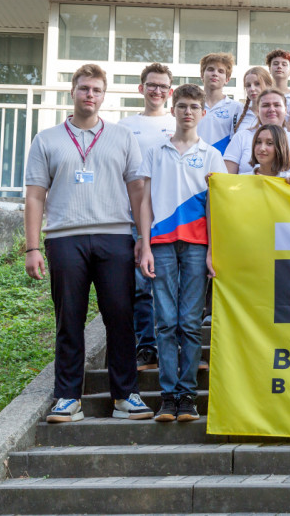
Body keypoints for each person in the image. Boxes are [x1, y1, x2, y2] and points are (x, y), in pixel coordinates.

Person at [24, 64, 153, 423]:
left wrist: (143, 240)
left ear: (104, 95)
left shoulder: (122, 137)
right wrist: (32, 248)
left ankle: (126, 397)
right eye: (84, 88)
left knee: (121, 317)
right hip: (65, 238)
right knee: (69, 320)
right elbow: (34, 196)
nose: (90, 95)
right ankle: (68, 398)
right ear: (72, 91)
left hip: (115, 237)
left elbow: (138, 191)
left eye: (96, 90)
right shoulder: (46, 139)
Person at [137, 84, 226, 423]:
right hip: (160, 243)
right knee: (165, 322)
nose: (188, 112)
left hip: (197, 245)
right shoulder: (155, 151)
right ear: (173, 109)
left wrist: (213, 250)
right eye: (183, 106)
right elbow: (145, 202)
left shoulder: (211, 155)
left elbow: (218, 207)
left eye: (194, 107)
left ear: (203, 112)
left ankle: (186, 396)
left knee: (189, 322)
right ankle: (167, 396)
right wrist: (144, 244)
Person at [118, 62, 176, 373]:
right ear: (141, 88)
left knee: (171, 285)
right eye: (151, 85)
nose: (157, 90)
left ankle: (173, 345)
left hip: (171, 216)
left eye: (162, 86)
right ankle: (147, 346)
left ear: (170, 91)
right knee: (140, 285)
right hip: (133, 216)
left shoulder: (179, 122)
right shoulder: (125, 126)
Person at [225, 90, 290, 177]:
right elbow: (226, 177)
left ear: (285, 110)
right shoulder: (241, 137)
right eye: (266, 105)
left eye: (277, 105)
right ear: (258, 111)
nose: (272, 109)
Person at [197, 52, 238, 155]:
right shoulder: (192, 105)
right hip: (193, 160)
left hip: (221, 162)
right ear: (202, 75)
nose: (215, 74)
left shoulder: (236, 108)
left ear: (227, 79)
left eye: (221, 71)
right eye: (210, 69)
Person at [232, 66, 274, 136]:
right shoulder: (238, 115)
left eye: (257, 84)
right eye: (248, 85)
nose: (252, 89)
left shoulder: (277, 113)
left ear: (269, 85)